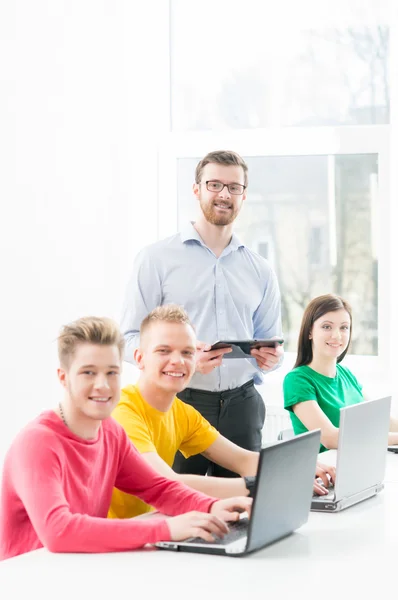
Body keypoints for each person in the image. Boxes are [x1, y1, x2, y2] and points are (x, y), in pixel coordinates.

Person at [0, 316, 252, 561]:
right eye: (88, 373)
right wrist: (165, 529)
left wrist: (211, 507)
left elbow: (158, 488)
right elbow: (58, 530)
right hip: (29, 579)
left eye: (112, 373)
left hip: (79, 567)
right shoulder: (37, 443)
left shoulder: (110, 432)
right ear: (63, 378)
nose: (103, 385)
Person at [121, 150, 283, 477]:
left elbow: (274, 345)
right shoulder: (155, 259)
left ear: (244, 195)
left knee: (247, 508)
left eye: (234, 187)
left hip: (243, 407)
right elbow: (127, 340)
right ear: (197, 190)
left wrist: (271, 358)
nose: (224, 194)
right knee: (176, 505)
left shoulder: (261, 269)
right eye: (214, 184)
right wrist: (184, 360)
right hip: (178, 403)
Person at [109, 305, 335, 520]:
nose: (177, 361)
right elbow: (166, 482)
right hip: (115, 544)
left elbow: (243, 460)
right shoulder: (123, 410)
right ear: (139, 358)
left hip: (154, 527)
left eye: (187, 352)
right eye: (163, 351)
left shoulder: (182, 413)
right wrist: (260, 485)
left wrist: (297, 465)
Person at [283, 293, 398, 452]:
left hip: (355, 462)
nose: (337, 335)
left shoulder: (346, 374)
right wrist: (395, 438)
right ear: (310, 331)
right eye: (327, 327)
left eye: (344, 327)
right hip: (322, 473)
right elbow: (331, 438)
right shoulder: (297, 380)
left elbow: (380, 419)